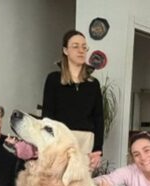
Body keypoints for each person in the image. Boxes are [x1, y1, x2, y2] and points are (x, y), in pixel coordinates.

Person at [42, 29, 104, 170]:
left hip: (86, 141)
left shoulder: (93, 84)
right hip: (60, 140)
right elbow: (47, 116)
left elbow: (99, 118)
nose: (81, 50)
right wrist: (48, 145)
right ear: (65, 50)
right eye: (75, 46)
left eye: (84, 47)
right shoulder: (53, 79)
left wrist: (98, 150)